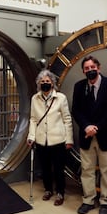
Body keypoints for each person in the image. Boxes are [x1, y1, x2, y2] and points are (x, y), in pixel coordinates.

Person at [72, 55, 107, 214]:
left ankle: (106, 201)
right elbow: (76, 110)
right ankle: (88, 200)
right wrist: (86, 126)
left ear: (99, 68)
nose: (90, 70)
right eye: (87, 68)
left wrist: (97, 127)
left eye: (93, 67)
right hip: (86, 136)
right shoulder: (79, 86)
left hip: (105, 135)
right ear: (83, 71)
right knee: (87, 169)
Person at [27, 69, 74, 206]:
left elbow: (67, 119)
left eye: (47, 81)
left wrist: (69, 139)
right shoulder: (35, 99)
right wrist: (31, 136)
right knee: (45, 168)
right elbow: (33, 119)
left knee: (59, 168)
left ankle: (60, 192)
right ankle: (48, 190)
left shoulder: (61, 98)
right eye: (42, 82)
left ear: (52, 83)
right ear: (38, 84)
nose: (45, 83)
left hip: (58, 140)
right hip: (42, 140)